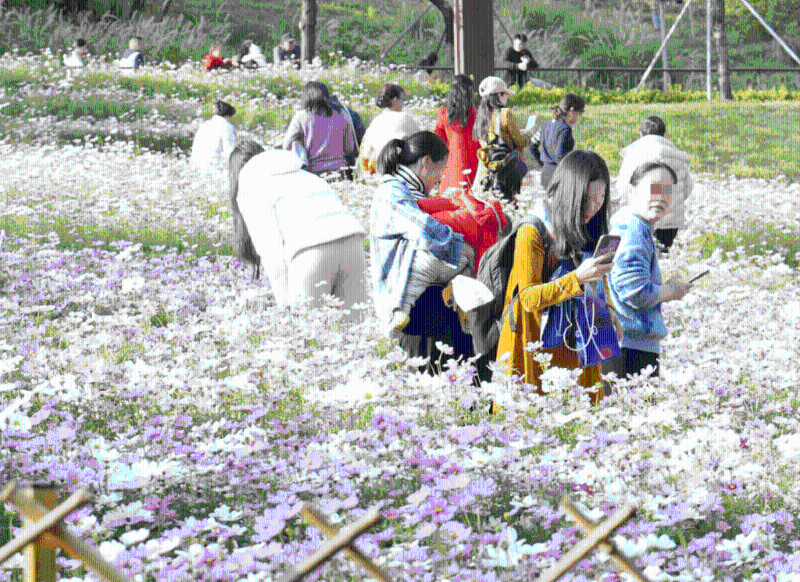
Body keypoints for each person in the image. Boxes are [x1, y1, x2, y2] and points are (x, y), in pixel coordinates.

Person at [494, 150, 615, 396]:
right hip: (534, 347)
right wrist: (578, 278)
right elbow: (528, 298)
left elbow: (597, 277)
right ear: (567, 195)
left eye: (600, 197)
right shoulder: (533, 230)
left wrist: (610, 310)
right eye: (586, 199)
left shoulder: (587, 225)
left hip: (578, 341)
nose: (593, 207)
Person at [369, 131, 475, 367]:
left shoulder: (408, 191)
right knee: (435, 382)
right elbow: (423, 228)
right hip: (415, 311)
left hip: (433, 302)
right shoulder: (391, 192)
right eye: (441, 169)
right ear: (426, 163)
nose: (441, 178)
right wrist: (462, 248)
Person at [233, 143, 367, 321]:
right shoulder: (303, 174)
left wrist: (284, 305)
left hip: (311, 250)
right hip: (353, 241)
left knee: (307, 331)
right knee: (354, 331)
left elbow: (270, 249)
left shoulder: (250, 183)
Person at [607, 162, 692, 379]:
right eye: (655, 188)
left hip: (623, 343)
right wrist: (669, 291)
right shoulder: (634, 228)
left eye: (668, 192)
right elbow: (634, 290)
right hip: (631, 349)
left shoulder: (628, 222)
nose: (662, 197)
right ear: (632, 190)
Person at [616, 116, 693, 252]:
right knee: (663, 261)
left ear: (641, 134)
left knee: (642, 260)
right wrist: (671, 201)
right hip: (670, 222)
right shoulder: (677, 156)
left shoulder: (634, 154)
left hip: (641, 217)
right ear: (664, 135)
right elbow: (688, 188)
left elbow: (623, 188)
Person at [473, 76, 531, 202]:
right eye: (505, 94)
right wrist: (529, 133)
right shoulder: (505, 113)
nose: (506, 97)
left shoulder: (481, 116)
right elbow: (521, 142)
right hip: (506, 171)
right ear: (498, 95)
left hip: (487, 173)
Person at [282, 81, 356, 177]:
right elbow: (349, 148)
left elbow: (287, 145)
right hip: (339, 171)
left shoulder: (301, 116)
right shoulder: (342, 114)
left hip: (312, 174)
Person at [358, 83, 422, 176]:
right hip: (399, 171)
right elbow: (421, 141)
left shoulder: (376, 121)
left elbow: (365, 152)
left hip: (377, 171)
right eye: (403, 99)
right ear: (395, 100)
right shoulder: (404, 118)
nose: (404, 103)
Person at [433, 74, 480, 196]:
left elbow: (438, 141)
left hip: (452, 165)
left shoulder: (442, 112)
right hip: (474, 163)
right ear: (469, 90)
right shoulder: (475, 111)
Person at [538, 93, 585, 189]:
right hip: (558, 177)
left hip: (544, 174)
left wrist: (543, 164)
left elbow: (531, 146)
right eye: (580, 113)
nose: (579, 118)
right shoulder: (565, 129)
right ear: (572, 110)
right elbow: (560, 157)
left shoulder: (545, 125)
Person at [190, 100, 237, 171]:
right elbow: (231, 151)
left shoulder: (204, 125)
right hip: (216, 170)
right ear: (229, 116)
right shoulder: (227, 126)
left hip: (196, 168)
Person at [331, 94, 366, 180]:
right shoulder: (350, 113)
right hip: (349, 164)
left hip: (322, 168)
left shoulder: (315, 116)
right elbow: (362, 140)